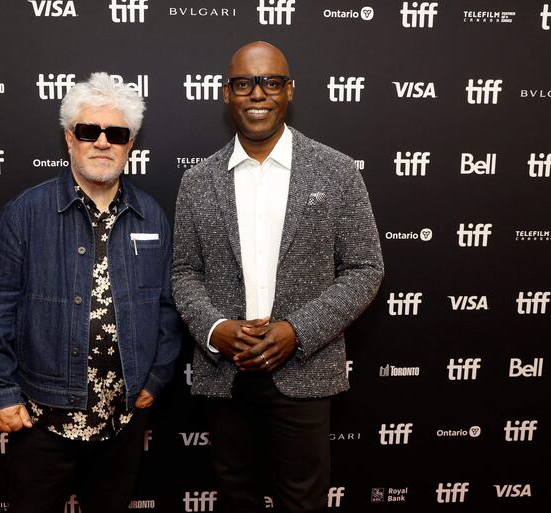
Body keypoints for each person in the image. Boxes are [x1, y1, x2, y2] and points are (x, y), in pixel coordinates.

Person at [171, 42, 384, 512]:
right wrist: (214, 330)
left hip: (305, 371)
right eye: (244, 83)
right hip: (225, 372)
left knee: (302, 501)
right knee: (233, 497)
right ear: (227, 94)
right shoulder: (198, 180)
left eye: (270, 82)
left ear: (289, 90)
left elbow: (366, 268)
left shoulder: (337, 170)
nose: (257, 94)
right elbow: (185, 272)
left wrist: (296, 332)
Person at [0, 72, 182, 513]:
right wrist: (0, 393)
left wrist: (158, 378)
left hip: (121, 423)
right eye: (89, 131)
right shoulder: (26, 212)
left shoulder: (151, 217)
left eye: (116, 133)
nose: (102, 142)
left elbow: (168, 308)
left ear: (130, 145)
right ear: (70, 139)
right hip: (42, 422)